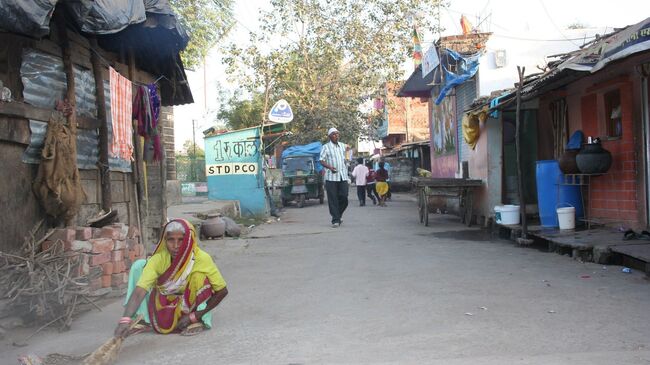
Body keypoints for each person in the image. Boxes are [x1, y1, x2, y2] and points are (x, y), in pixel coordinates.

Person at [114, 219, 228, 337]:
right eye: (171, 240)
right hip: (166, 299)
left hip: (190, 303)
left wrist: (196, 315)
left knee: (199, 277)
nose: (175, 246)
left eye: (181, 240)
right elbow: (140, 291)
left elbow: (222, 291)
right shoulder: (159, 259)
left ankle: (199, 320)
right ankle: (142, 318)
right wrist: (125, 320)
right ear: (165, 241)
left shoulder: (202, 258)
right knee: (139, 266)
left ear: (189, 240)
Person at [320, 127, 349, 227]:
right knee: (333, 199)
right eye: (334, 134)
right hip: (331, 177)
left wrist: (348, 153)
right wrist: (329, 167)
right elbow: (321, 160)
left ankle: (338, 214)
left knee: (344, 197)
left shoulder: (342, 145)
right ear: (329, 136)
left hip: (343, 176)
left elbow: (349, 148)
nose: (336, 136)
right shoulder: (326, 147)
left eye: (337, 134)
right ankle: (335, 220)